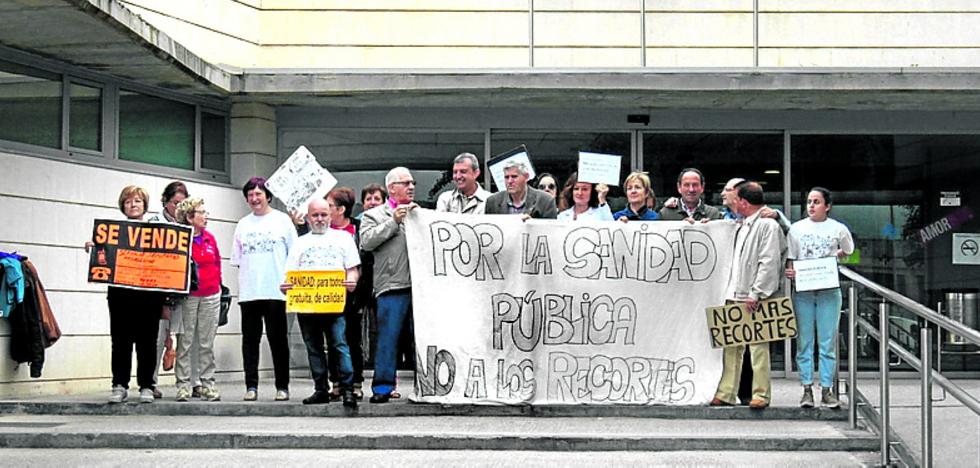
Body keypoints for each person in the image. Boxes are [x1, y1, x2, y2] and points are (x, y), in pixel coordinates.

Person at [711, 181, 786, 409]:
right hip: (736, 291)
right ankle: (726, 392)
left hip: (752, 295)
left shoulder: (767, 226)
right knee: (731, 347)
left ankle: (761, 393)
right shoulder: (742, 225)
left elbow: (769, 262)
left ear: (744, 202)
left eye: (737, 199)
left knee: (758, 347)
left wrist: (757, 292)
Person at [282, 197, 360, 408]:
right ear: (308, 217)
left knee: (339, 344)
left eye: (324, 214)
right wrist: (286, 287)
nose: (319, 219)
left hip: (334, 303)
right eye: (315, 215)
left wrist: (352, 280)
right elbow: (290, 274)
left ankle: (347, 389)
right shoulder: (300, 242)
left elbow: (352, 269)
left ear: (331, 215)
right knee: (313, 347)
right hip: (307, 305)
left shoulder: (343, 238)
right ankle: (320, 389)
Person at [89, 185, 165, 404]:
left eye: (138, 201)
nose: (133, 205)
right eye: (129, 201)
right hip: (120, 293)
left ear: (145, 205)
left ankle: (147, 386)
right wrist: (94, 248)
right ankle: (119, 385)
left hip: (149, 293)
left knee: (148, 340)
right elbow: (103, 254)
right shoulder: (112, 231)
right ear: (123, 205)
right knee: (120, 340)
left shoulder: (158, 230)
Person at [785, 187, 854, 409]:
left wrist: (834, 258)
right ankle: (806, 388)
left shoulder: (838, 228)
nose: (811, 206)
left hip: (828, 290)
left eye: (816, 201)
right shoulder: (796, 229)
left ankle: (827, 389)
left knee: (827, 342)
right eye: (808, 201)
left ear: (828, 205)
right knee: (804, 341)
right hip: (804, 290)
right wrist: (791, 272)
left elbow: (848, 250)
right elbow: (791, 259)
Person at [231, 177, 296, 402]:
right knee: (250, 341)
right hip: (249, 291)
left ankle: (282, 386)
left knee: (278, 341)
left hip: (276, 290)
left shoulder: (283, 220)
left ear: (268, 196)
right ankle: (251, 386)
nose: (254, 199)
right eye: (250, 195)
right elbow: (238, 259)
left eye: (258, 194)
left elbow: (294, 256)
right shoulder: (242, 224)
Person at [360, 167, 418, 403]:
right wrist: (394, 222)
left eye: (413, 182)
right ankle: (382, 387)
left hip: (420, 287)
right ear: (392, 188)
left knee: (421, 340)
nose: (411, 187)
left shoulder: (420, 213)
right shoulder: (374, 215)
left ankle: (424, 387)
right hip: (391, 285)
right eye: (406, 183)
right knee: (388, 339)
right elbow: (367, 241)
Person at [146, 181, 194, 400]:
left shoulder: (190, 225)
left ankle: (186, 383)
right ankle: (150, 381)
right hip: (158, 288)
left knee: (183, 336)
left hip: (181, 289)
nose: (178, 207)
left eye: (183, 203)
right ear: (166, 201)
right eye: (176, 203)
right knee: (157, 338)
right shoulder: (153, 222)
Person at [172, 197, 222, 402]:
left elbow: (217, 263)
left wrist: (219, 287)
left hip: (211, 294)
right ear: (190, 217)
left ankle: (207, 383)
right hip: (189, 297)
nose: (206, 216)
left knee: (206, 342)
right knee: (185, 341)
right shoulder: (181, 238)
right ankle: (183, 385)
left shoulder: (210, 238)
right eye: (202, 212)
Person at [323, 187, 367, 401]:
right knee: (331, 340)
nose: (325, 210)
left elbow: (365, 261)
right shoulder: (322, 229)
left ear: (341, 209)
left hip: (352, 293)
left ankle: (356, 382)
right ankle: (337, 382)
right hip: (327, 292)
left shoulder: (358, 229)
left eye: (329, 206)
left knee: (351, 338)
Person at [484, 160, 558, 219]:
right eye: (506, 177)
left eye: (514, 177)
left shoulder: (545, 201)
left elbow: (550, 232)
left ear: (526, 177)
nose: (509, 181)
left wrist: (533, 225)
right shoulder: (493, 202)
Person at [659, 168, 723, 222]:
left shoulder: (713, 214)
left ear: (702, 187)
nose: (691, 189)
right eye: (686, 185)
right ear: (679, 187)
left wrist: (709, 228)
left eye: (695, 185)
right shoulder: (665, 214)